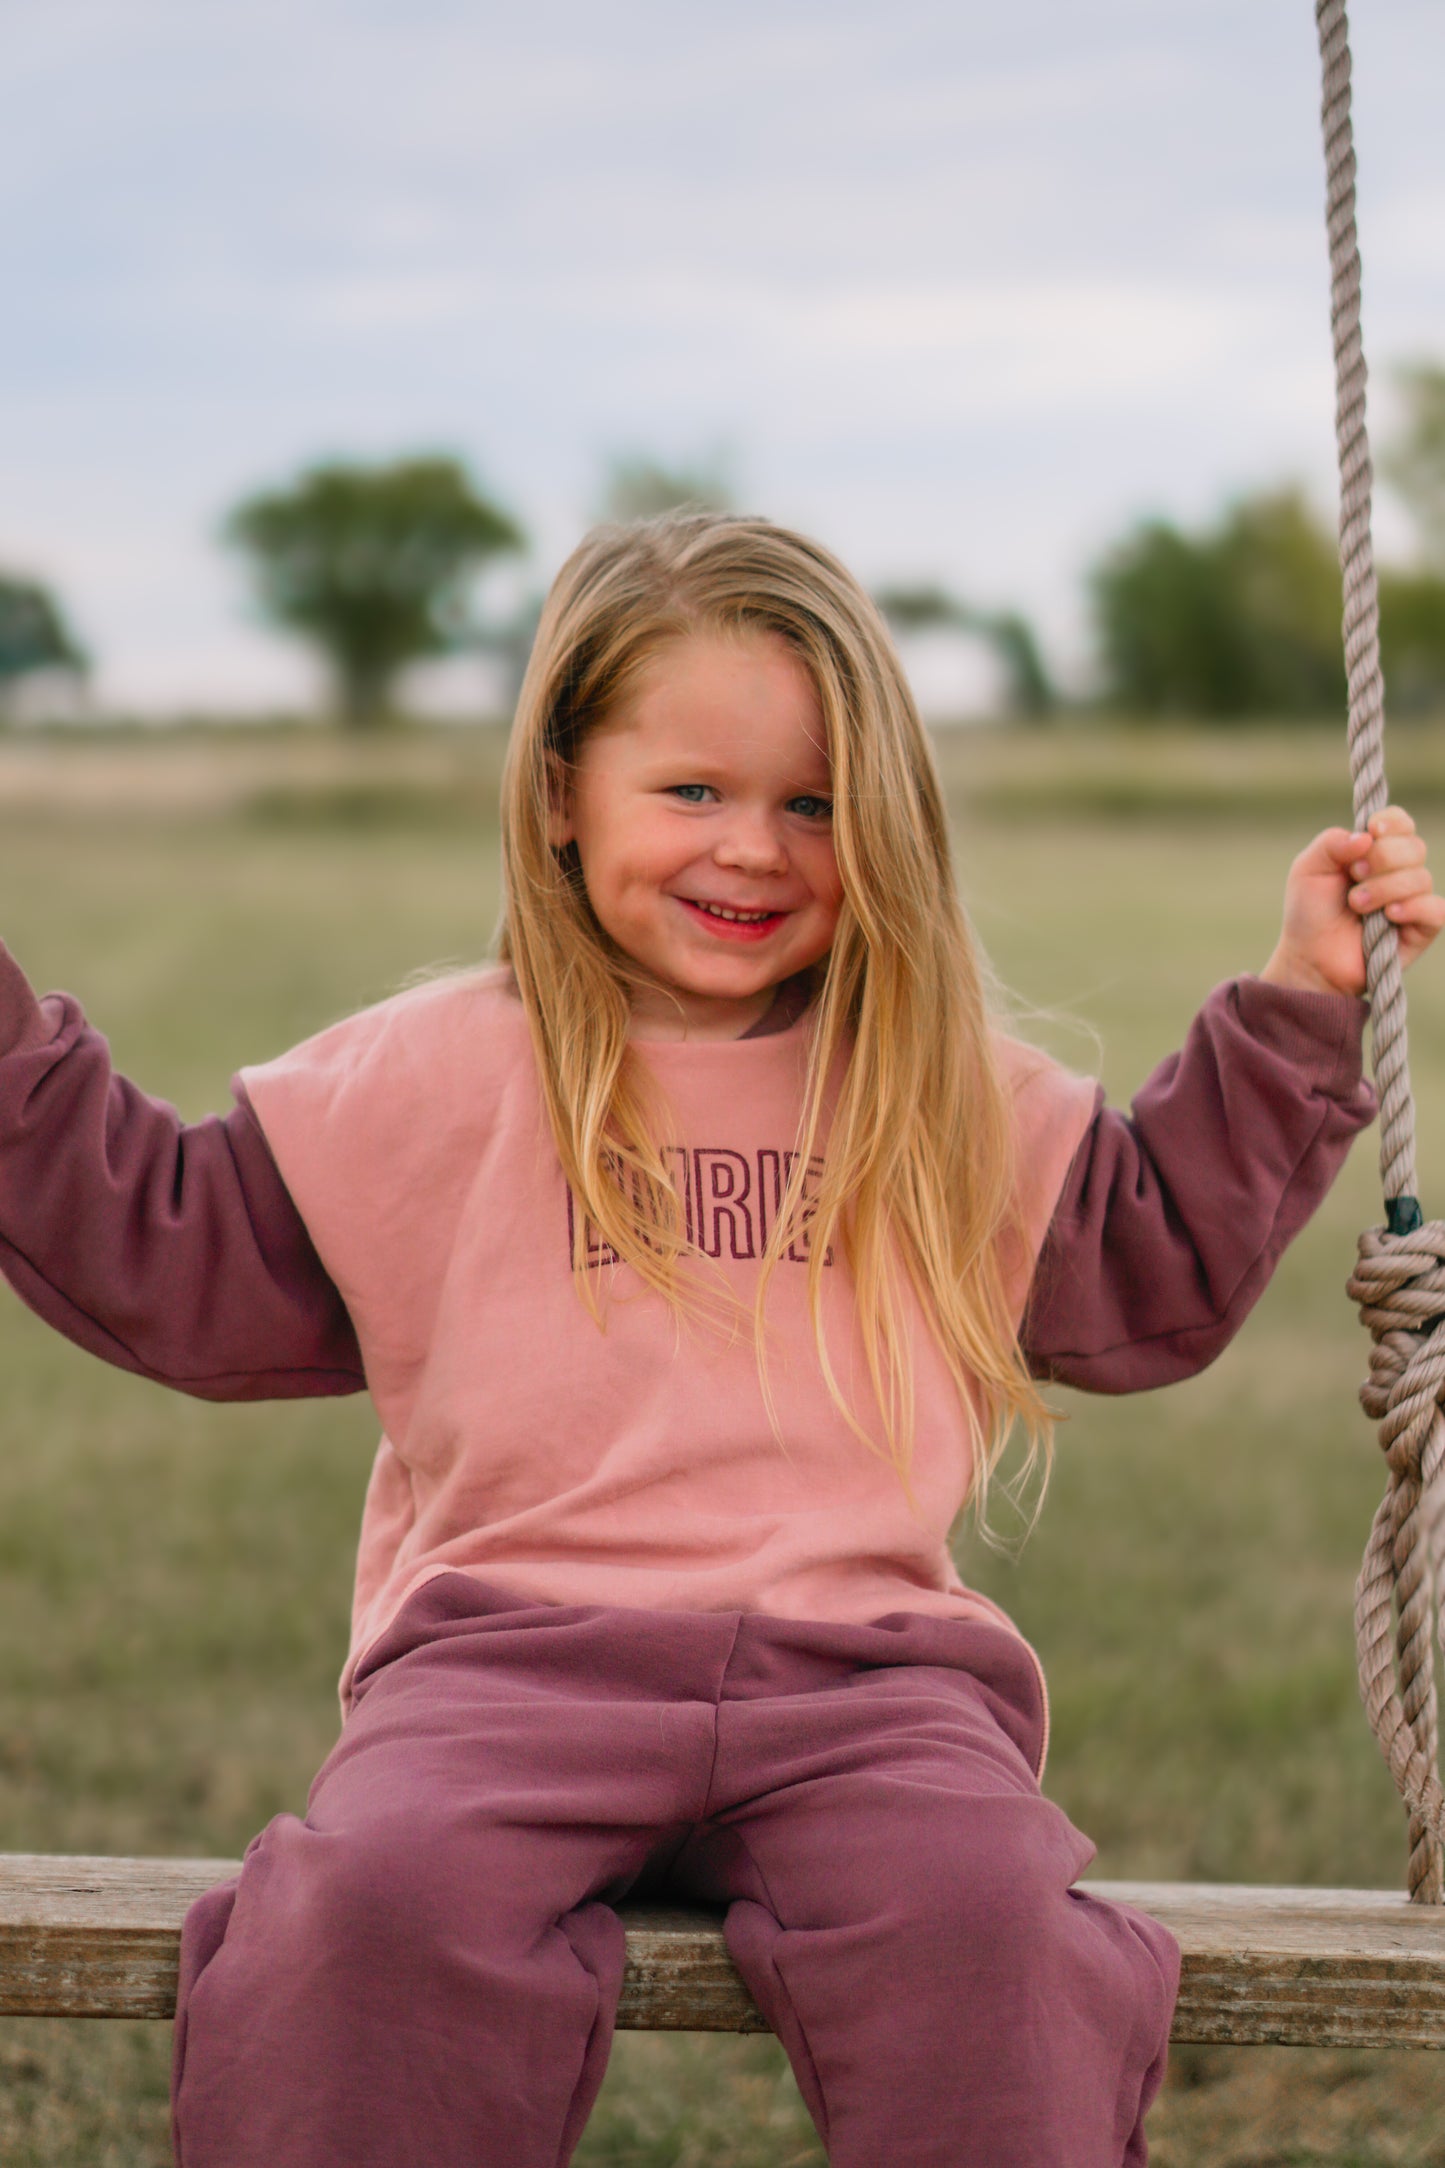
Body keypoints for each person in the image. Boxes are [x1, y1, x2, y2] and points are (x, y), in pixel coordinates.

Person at [1, 513, 1441, 2168]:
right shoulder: (439, 1075)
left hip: (870, 1690)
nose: (751, 850)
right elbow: (164, 1244)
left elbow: (1146, 1267)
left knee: (989, 1930)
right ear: (560, 792)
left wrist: (1297, 1000)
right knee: (368, 1917)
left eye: (812, 806)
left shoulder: (925, 1080)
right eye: (691, 791)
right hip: (501, 1667)